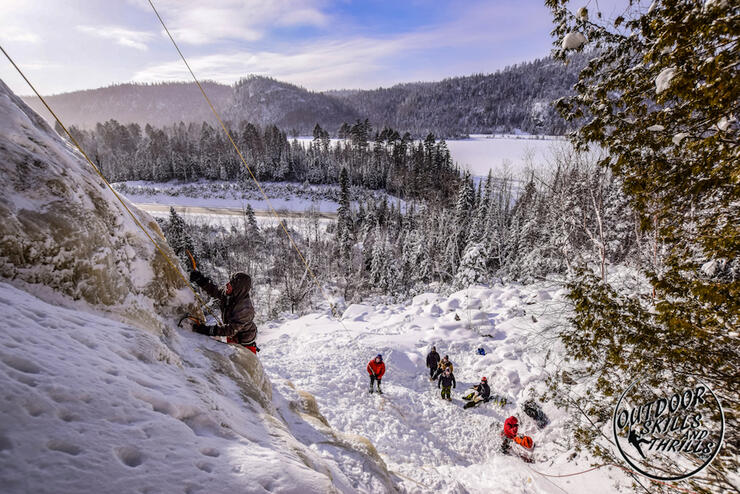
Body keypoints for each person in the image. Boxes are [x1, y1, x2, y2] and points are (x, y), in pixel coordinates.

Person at [189, 270, 258, 354]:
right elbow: (215, 290)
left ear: (237, 289)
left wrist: (207, 330)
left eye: (231, 284)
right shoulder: (230, 294)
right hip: (233, 336)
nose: (227, 285)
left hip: (245, 343)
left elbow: (230, 330)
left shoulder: (245, 309)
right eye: (229, 282)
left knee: (243, 366)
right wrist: (201, 280)